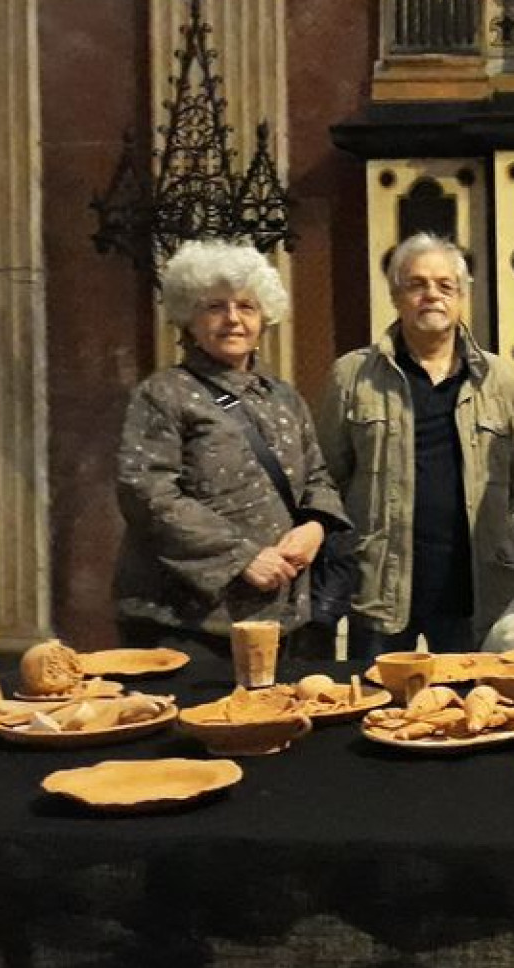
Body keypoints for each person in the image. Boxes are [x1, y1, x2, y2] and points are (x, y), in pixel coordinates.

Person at [114, 240, 348, 660]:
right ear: (189, 318)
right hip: (186, 623)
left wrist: (315, 526)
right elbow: (147, 493)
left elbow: (317, 477)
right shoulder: (163, 394)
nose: (233, 320)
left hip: (281, 615)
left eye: (247, 307)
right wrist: (242, 557)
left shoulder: (283, 397)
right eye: (216, 307)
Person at [316, 234, 514, 662]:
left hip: (477, 590)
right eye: (417, 284)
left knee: (479, 714)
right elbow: (325, 478)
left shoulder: (501, 379)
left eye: (445, 285)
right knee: (376, 709)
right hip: (379, 588)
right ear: (396, 296)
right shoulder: (353, 376)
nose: (431, 294)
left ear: (462, 297)